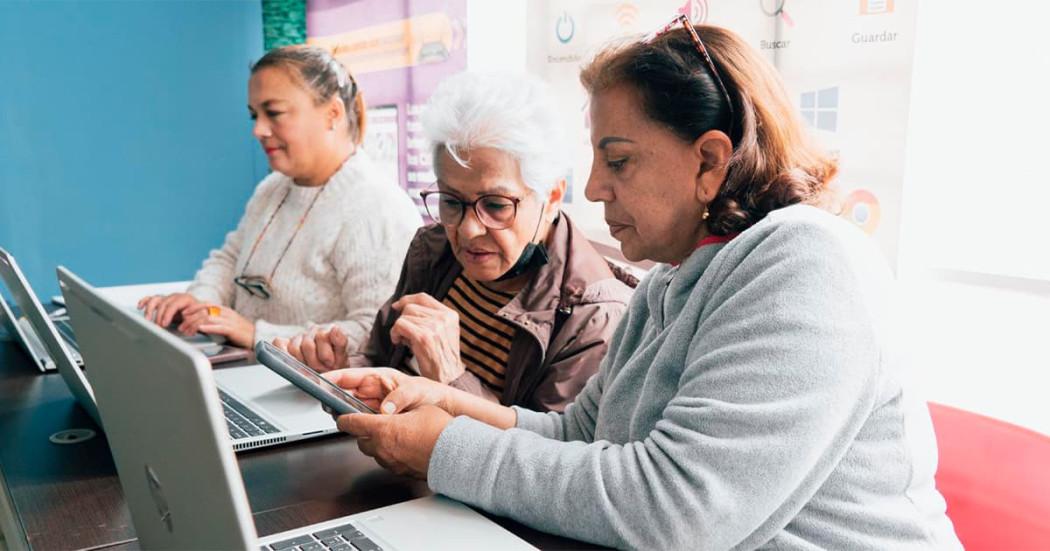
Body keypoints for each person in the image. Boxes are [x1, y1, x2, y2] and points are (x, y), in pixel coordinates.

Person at [319, 19, 962, 550]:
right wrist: (438, 398)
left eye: (618, 160)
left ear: (708, 160)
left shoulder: (808, 263)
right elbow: (577, 437)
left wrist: (444, 448)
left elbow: (677, 508)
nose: (596, 187)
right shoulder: (673, 279)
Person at [275, 72, 635, 412]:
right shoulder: (433, 249)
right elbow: (381, 361)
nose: (467, 231)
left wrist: (450, 376)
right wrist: (341, 371)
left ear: (552, 195)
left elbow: (547, 463)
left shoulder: (594, 317)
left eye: (495, 205)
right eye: (450, 202)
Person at [137, 46, 421, 349]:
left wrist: (257, 335)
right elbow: (230, 259)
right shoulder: (272, 188)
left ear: (332, 113)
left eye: (273, 113)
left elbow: (375, 335)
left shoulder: (378, 208)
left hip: (311, 391)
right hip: (248, 369)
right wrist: (200, 303)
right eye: (254, 116)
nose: (258, 130)